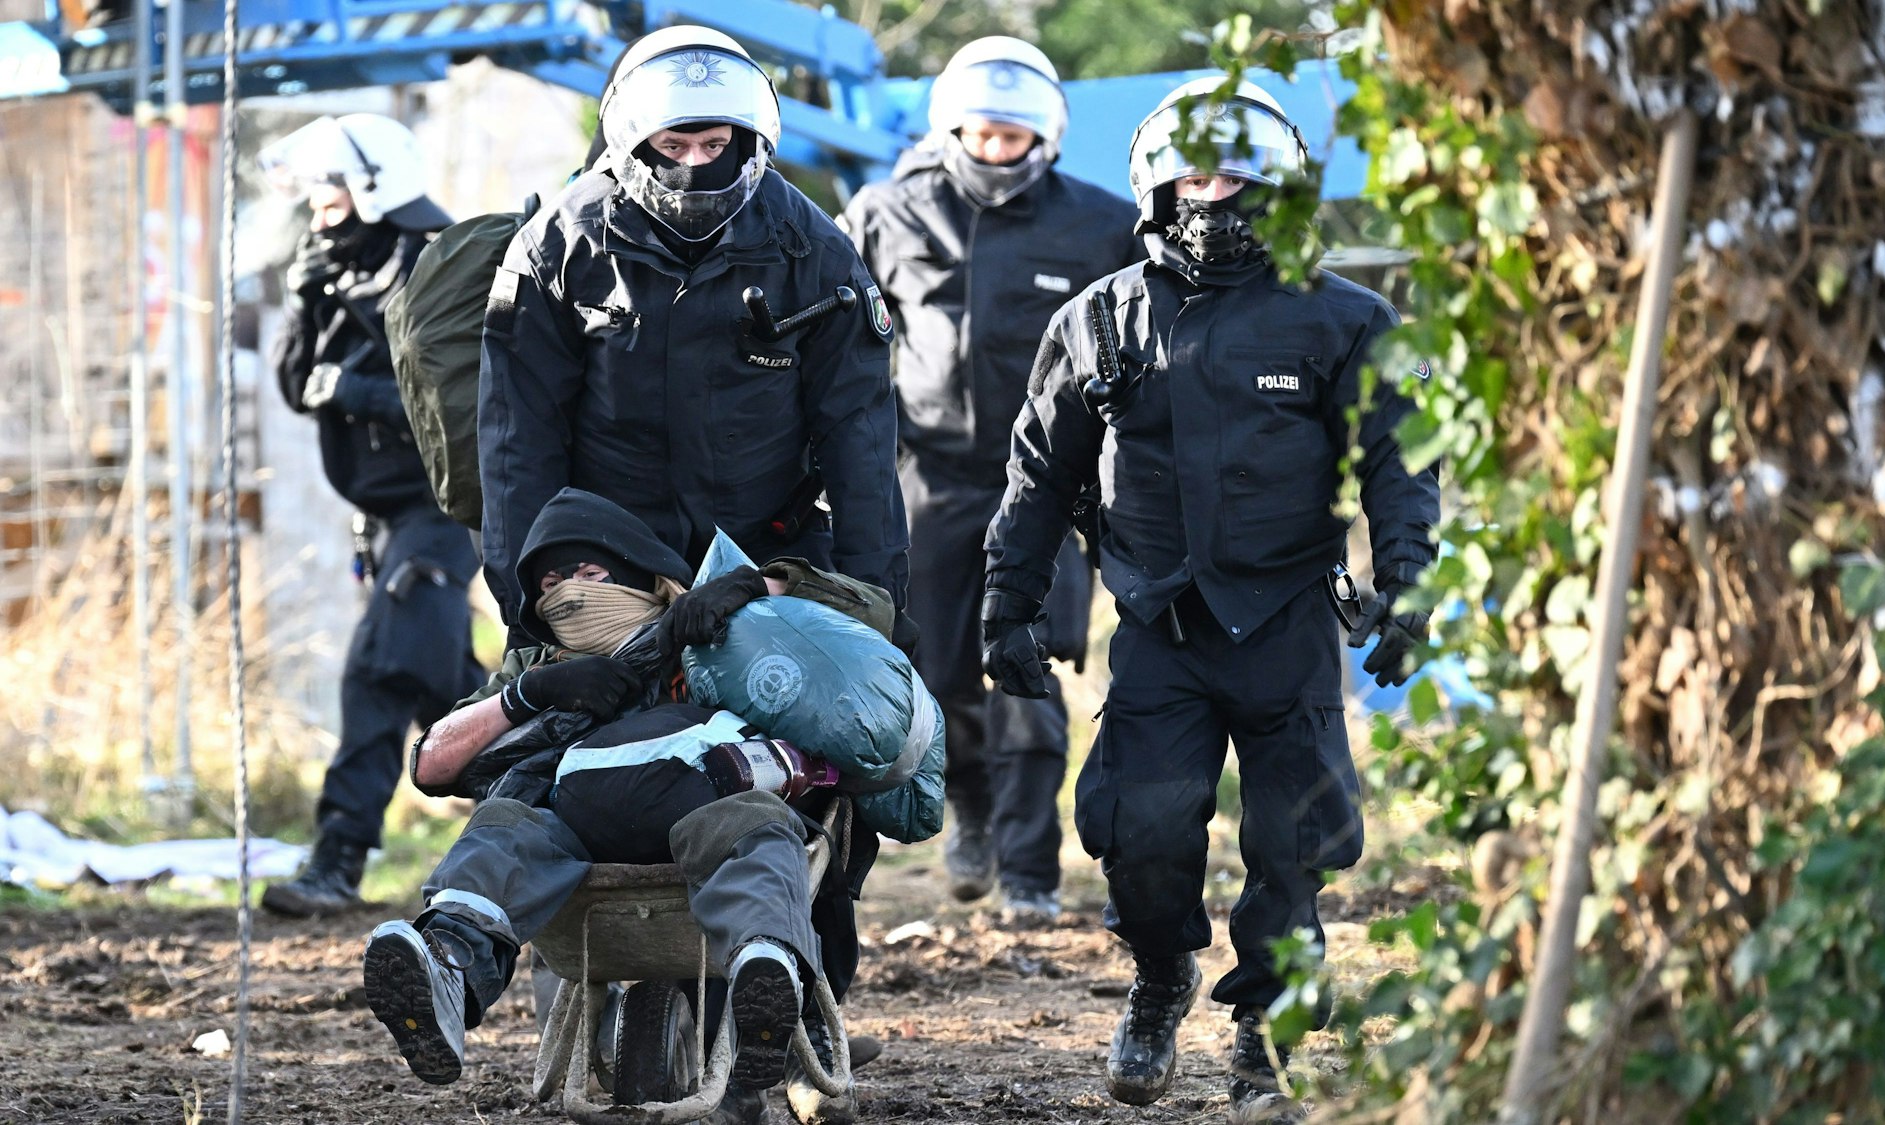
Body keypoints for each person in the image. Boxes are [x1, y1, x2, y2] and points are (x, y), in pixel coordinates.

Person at [981, 78, 1441, 1123]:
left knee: (1291, 851)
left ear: (1278, 185)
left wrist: (1409, 588)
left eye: (1237, 175)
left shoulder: (1346, 319)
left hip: (1285, 622)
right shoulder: (1094, 320)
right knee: (1137, 832)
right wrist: (1005, 609)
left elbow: (1399, 466)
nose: (1214, 193)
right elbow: (1037, 477)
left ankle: (1262, 1039)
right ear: (1154, 184)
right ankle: (1156, 981)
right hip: (1155, 624)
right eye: (1194, 174)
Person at [366, 487, 923, 1124]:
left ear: (643, 574)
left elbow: (874, 616)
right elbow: (432, 765)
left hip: (710, 813)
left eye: (590, 572)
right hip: (578, 843)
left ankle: (768, 976)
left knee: (759, 830)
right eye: (549, 582)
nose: (568, 590)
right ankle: (448, 968)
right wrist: (529, 694)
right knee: (502, 828)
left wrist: (753, 589)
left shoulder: (718, 632)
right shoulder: (538, 662)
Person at [479, 25, 912, 648]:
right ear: (634, 140)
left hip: (767, 565)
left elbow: (859, 435)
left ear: (748, 138)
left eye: (715, 143)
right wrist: (528, 613)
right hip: (606, 567)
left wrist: (878, 597)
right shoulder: (558, 249)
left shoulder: (815, 250)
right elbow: (516, 444)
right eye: (674, 144)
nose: (695, 164)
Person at [839, 37, 1143, 920]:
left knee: (1031, 667)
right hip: (925, 479)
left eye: (1014, 136)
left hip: (1048, 485)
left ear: (1043, 135)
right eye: (982, 133)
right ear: (952, 128)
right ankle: (968, 809)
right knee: (937, 673)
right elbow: (841, 339)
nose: (997, 149)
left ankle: (1031, 873)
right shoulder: (885, 212)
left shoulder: (1096, 223)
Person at [258, 113, 483, 917]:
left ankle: (338, 860)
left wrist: (357, 393)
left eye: (334, 184)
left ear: (376, 184)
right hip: (383, 520)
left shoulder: (436, 264)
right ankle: (547, 803)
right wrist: (301, 296)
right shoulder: (332, 269)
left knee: (378, 668)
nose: (320, 201)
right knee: (448, 687)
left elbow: (469, 401)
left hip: (443, 509)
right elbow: (294, 385)